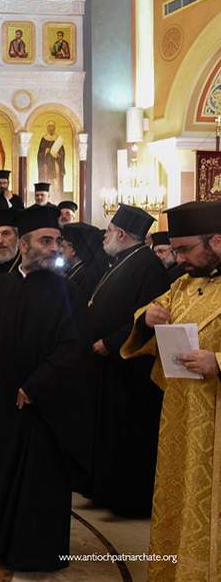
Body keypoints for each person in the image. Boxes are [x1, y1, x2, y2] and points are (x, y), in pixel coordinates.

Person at [0, 204, 92, 572]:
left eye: (57, 241)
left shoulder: (67, 292)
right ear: (24, 245)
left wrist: (37, 385)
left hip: (43, 409)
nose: (54, 248)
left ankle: (32, 552)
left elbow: (74, 347)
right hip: (1, 405)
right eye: (46, 241)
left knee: (38, 482)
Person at [121, 200, 221, 582]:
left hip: (217, 420)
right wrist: (146, 318)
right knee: (182, 502)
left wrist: (218, 361)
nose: (178, 259)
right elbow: (150, 313)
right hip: (182, 418)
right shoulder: (182, 284)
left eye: (185, 250)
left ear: (216, 241)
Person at [86, 204, 168, 517]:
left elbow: (149, 315)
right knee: (109, 431)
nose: (104, 236)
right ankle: (106, 492)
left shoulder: (148, 266)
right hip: (109, 366)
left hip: (130, 366)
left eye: (108, 231)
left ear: (121, 234)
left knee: (127, 432)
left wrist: (110, 342)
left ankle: (128, 500)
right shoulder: (123, 260)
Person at [60, 222, 106, 299]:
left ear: (73, 250)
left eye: (62, 247)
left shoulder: (85, 276)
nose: (59, 250)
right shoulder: (76, 270)